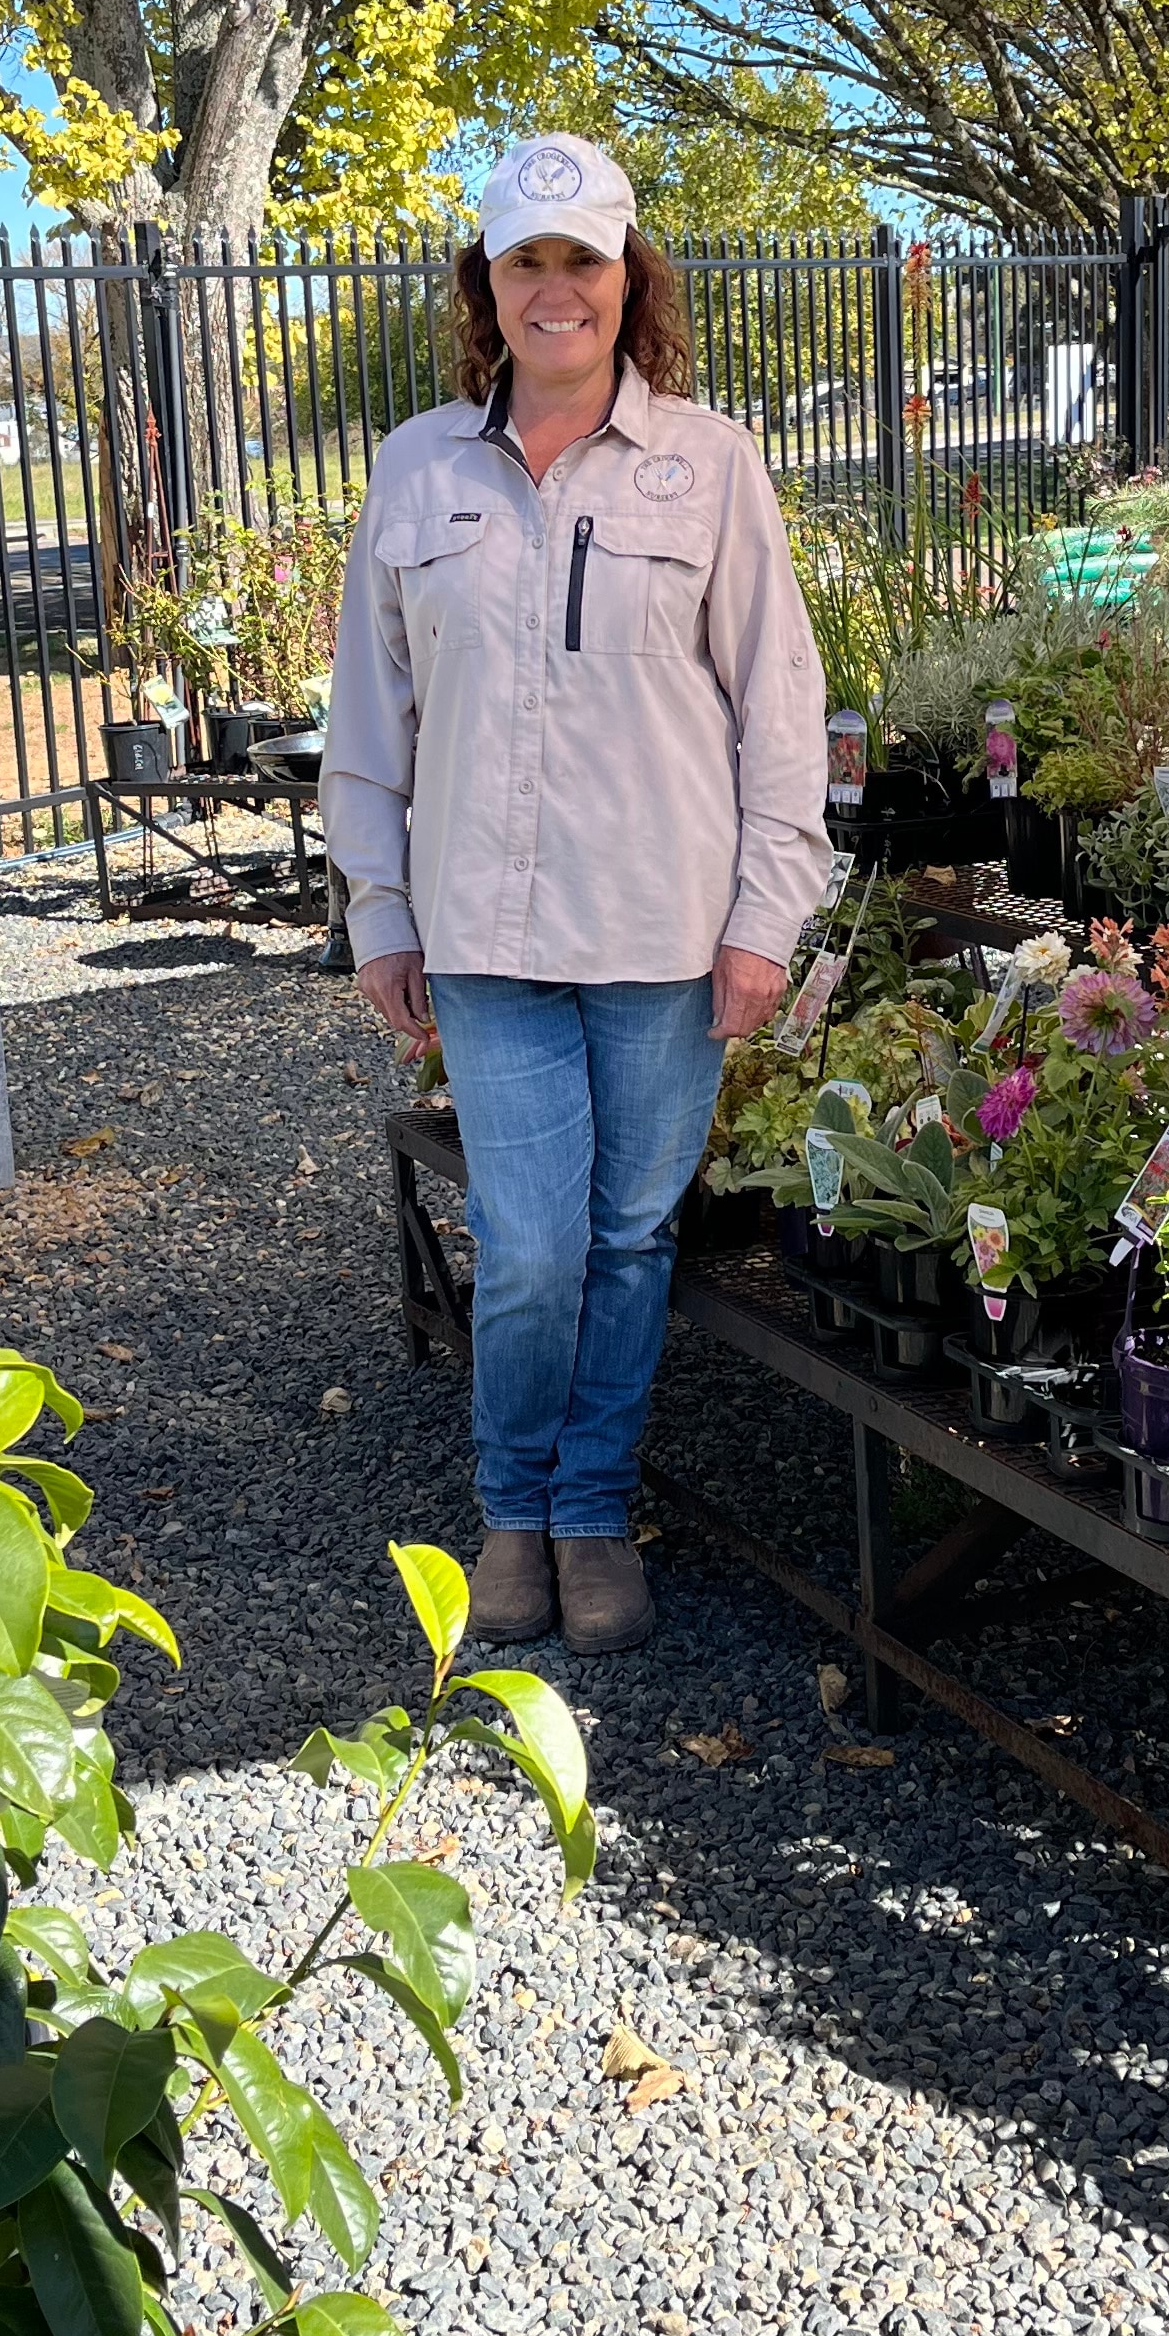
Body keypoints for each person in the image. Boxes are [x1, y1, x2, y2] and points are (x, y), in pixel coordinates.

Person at [325, 136, 831, 1654]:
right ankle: (513, 1504)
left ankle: (595, 1505)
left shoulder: (714, 465)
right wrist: (380, 904)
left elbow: (781, 709)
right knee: (534, 1245)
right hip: (486, 932)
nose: (556, 288)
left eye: (582, 260)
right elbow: (371, 706)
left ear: (628, 281)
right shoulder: (419, 467)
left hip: (669, 934)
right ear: (488, 284)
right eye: (526, 259)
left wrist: (764, 920)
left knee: (627, 1237)